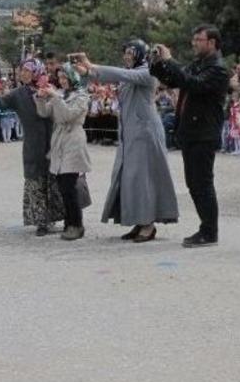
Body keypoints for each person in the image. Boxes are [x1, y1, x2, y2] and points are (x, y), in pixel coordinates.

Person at [73, 41, 180, 242]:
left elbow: (121, 75)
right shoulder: (134, 72)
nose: (127, 56)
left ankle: (148, 224)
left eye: (131, 53)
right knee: (131, 178)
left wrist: (91, 65)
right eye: (126, 53)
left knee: (144, 178)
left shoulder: (148, 72)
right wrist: (88, 72)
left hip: (145, 132)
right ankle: (140, 220)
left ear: (141, 54)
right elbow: (119, 75)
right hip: (132, 132)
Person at [150, 24, 229, 248]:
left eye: (199, 39)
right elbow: (175, 80)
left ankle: (209, 231)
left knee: (202, 183)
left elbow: (192, 84)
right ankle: (206, 228)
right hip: (191, 131)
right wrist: (158, 64)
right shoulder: (199, 64)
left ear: (212, 42)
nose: (194, 43)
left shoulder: (217, 69)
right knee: (194, 183)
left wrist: (171, 61)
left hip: (204, 132)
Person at [0, 58, 63, 236]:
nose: (23, 73)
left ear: (37, 72)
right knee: (35, 181)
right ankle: (41, 222)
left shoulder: (49, 89)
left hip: (54, 141)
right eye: (22, 70)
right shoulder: (18, 94)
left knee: (54, 181)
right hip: (33, 145)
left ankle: (54, 218)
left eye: (28, 71)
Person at [34, 64, 91, 241]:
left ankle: (77, 224)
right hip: (59, 140)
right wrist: (40, 97)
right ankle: (69, 222)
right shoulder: (61, 94)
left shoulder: (81, 96)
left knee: (69, 185)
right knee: (61, 186)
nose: (62, 81)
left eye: (65, 77)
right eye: (60, 78)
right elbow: (44, 112)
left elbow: (68, 115)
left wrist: (55, 96)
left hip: (73, 139)